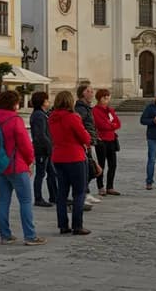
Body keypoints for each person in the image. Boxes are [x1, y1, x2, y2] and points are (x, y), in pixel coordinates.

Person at [0, 90, 44, 246]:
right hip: (17, 164)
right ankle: (30, 235)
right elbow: (25, 144)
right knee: (25, 200)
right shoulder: (15, 120)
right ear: (14, 104)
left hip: (1, 165)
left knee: (3, 200)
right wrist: (30, 161)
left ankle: (5, 235)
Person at [49, 90, 91, 236]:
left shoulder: (52, 118)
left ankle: (63, 225)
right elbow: (85, 137)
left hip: (58, 157)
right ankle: (77, 225)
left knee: (62, 193)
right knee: (79, 193)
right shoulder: (72, 117)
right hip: (75, 157)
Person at [73, 83, 104, 205]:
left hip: (91, 140)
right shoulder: (81, 108)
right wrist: (86, 139)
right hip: (85, 142)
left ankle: (85, 191)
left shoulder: (87, 107)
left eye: (92, 91)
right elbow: (79, 125)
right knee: (91, 169)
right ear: (82, 93)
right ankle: (82, 193)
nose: (92, 93)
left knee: (91, 168)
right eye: (89, 91)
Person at [91, 88, 122, 195]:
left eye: (108, 97)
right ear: (99, 98)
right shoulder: (95, 110)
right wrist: (111, 125)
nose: (107, 99)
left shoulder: (110, 110)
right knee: (101, 164)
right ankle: (100, 187)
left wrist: (111, 125)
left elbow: (118, 123)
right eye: (105, 97)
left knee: (113, 164)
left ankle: (110, 186)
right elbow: (101, 125)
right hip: (101, 140)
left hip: (112, 139)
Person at [29, 91, 56, 208]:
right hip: (42, 149)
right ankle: (38, 198)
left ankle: (54, 195)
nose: (48, 102)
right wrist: (49, 146)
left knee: (52, 172)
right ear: (42, 102)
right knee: (40, 174)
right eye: (47, 100)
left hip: (46, 148)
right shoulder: (39, 115)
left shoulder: (42, 114)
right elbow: (41, 134)